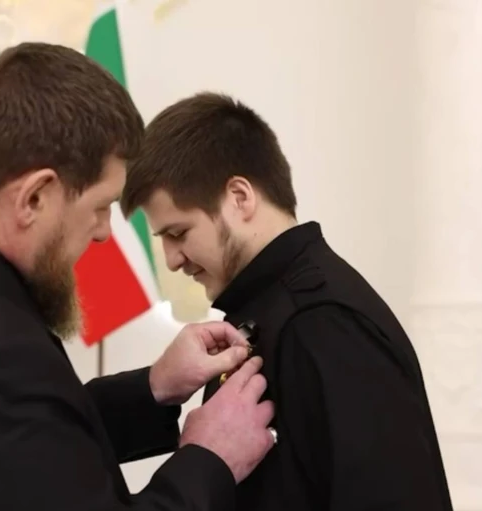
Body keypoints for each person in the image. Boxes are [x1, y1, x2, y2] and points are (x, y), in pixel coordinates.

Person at [0, 44, 277, 511]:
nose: (103, 232)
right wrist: (209, 458)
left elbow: (17, 455)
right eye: (100, 206)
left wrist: (153, 388)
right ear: (35, 197)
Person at [120, 92, 454, 511]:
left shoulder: (324, 324)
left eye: (178, 233)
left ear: (239, 197)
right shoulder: (267, 310)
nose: (171, 260)